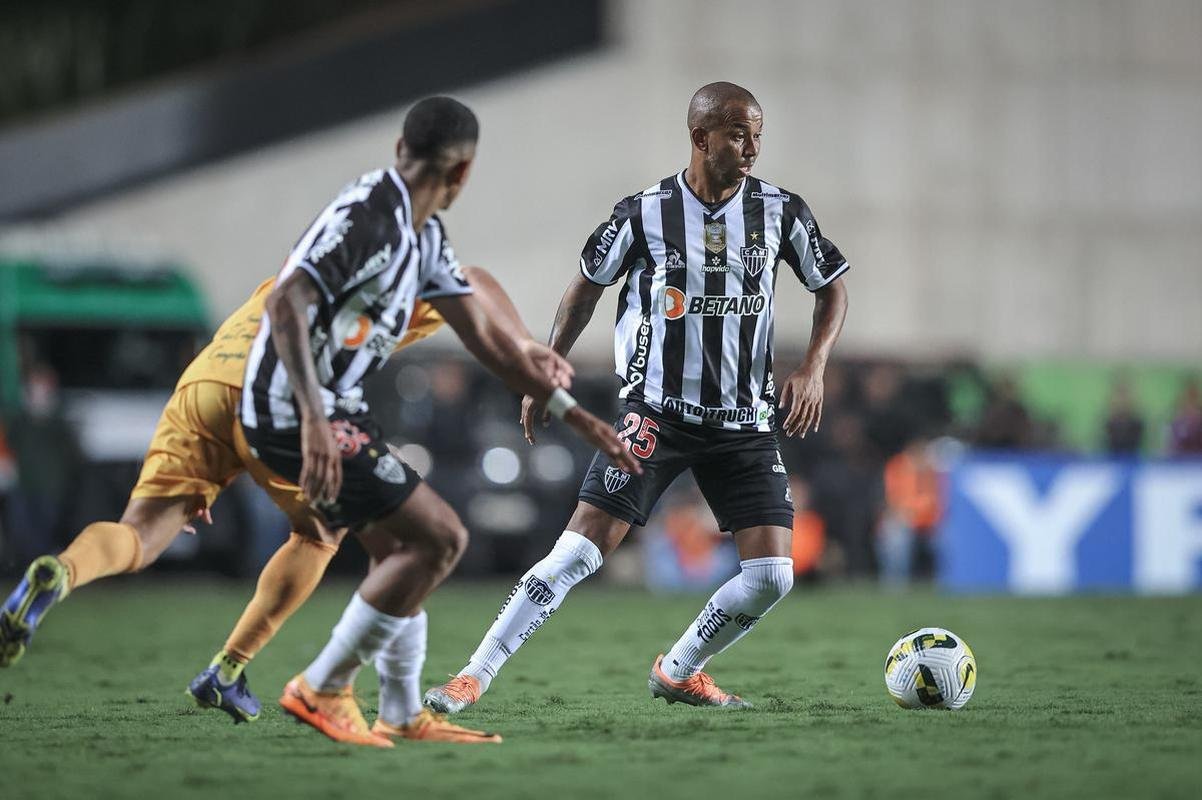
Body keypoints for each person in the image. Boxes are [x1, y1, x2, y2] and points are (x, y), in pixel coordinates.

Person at [0, 97, 638, 747]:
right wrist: (520, 346)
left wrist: (555, 390)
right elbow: (442, 293)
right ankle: (284, 677)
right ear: (463, 173)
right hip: (283, 396)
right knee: (376, 536)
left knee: (149, 533)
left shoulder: (416, 239)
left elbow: (475, 322)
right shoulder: (378, 228)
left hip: (209, 381)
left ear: (399, 146)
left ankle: (65, 573)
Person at [425, 81, 849, 713]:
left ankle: (680, 669)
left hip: (744, 421)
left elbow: (832, 284)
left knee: (772, 576)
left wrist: (813, 366)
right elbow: (584, 291)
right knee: (574, 555)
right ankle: (471, 677)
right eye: (737, 132)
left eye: (757, 132)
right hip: (655, 414)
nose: (752, 145)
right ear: (700, 137)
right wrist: (546, 368)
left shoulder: (782, 211)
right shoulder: (642, 213)